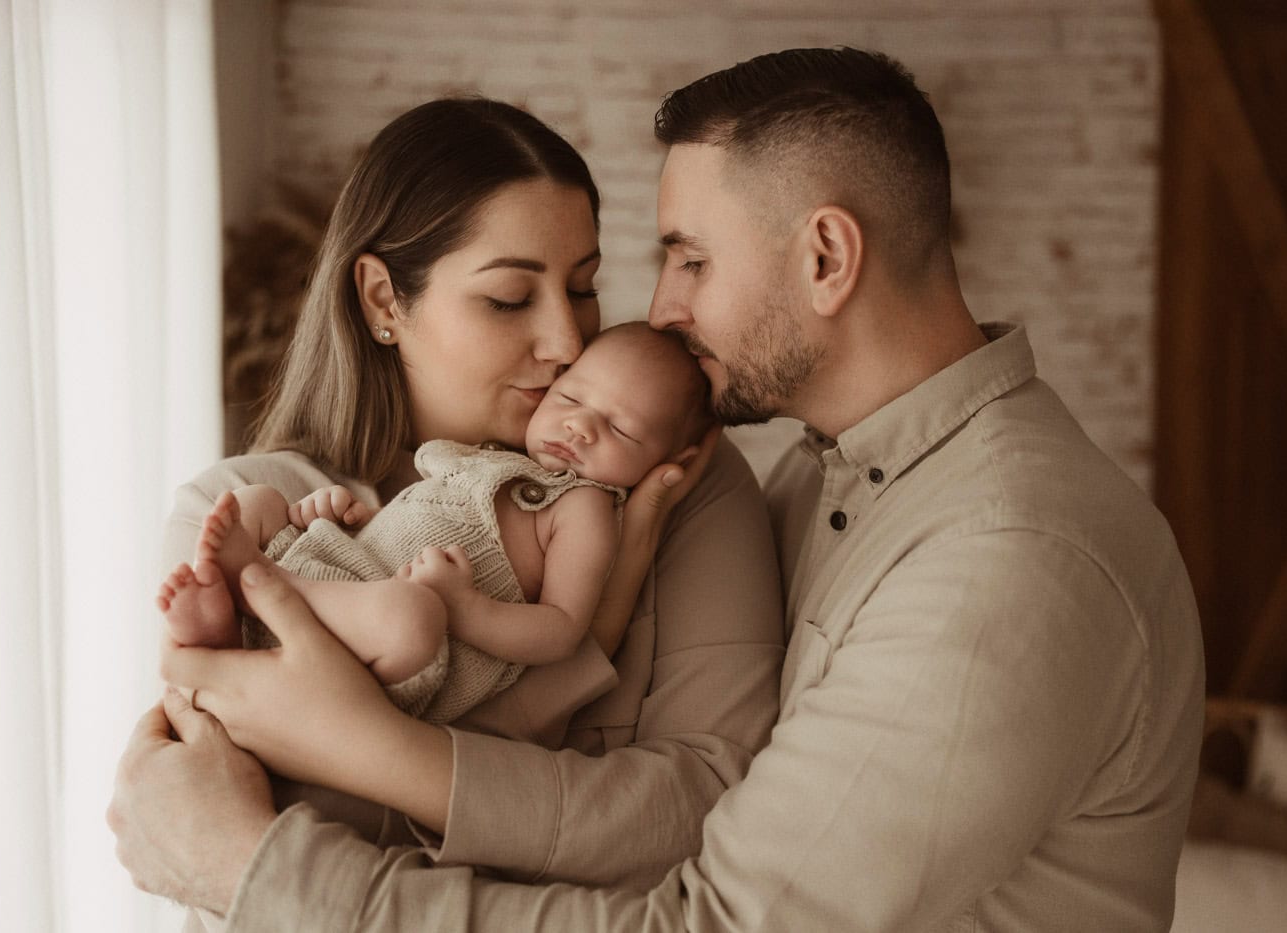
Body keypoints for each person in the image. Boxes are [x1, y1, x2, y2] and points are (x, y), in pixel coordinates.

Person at [110, 47, 1206, 931]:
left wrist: (283, 846)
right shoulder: (814, 487)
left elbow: (709, 899)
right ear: (382, 301)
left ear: (825, 258)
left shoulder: (1001, 556)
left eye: (683, 259)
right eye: (509, 298)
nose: (649, 314)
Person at [109, 95, 785, 927]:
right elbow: (218, 825)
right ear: (385, 301)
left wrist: (365, 746)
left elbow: (709, 808)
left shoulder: (678, 486)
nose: (569, 343)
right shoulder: (239, 508)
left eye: (583, 288)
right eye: (509, 298)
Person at [158, 322, 711, 731]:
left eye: (620, 428)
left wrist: (465, 608)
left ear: (664, 458)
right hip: (349, 576)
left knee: (409, 611)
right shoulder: (492, 456)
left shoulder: (584, 508)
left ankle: (260, 585)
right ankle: (230, 627)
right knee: (257, 501)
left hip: (406, 658)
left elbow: (562, 630)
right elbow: (418, 519)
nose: (580, 425)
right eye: (570, 397)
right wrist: (341, 518)